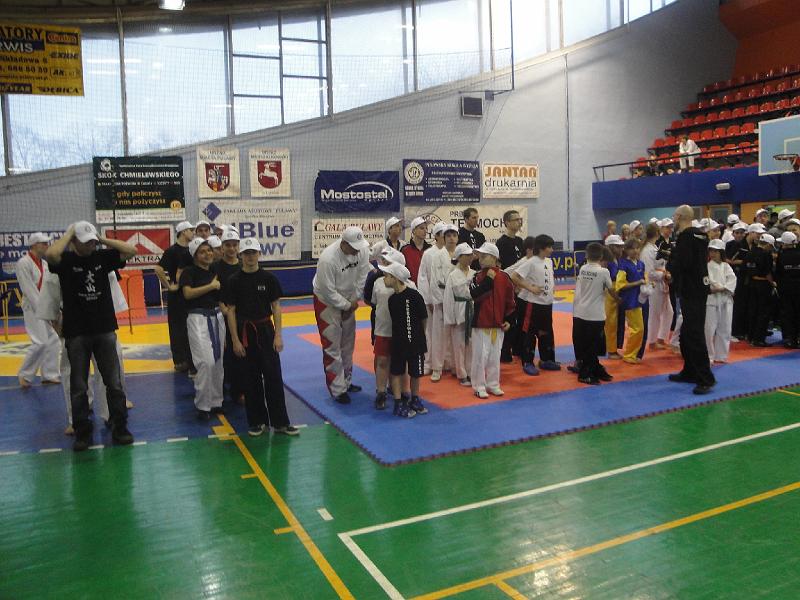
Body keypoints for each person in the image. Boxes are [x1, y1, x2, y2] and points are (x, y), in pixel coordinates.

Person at [45, 221, 137, 451]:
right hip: (77, 333)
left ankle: (119, 426)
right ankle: (82, 432)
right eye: (85, 242)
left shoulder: (102, 258)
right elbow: (51, 254)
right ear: (74, 242)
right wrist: (69, 233)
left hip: (104, 329)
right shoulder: (65, 261)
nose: (90, 246)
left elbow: (131, 250)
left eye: (92, 242)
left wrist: (100, 238)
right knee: (78, 385)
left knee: (114, 382)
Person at [224, 237, 298, 437]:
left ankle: (281, 422)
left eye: (253, 253)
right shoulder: (234, 281)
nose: (250, 257)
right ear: (241, 255)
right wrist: (235, 340)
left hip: (266, 330)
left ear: (259, 254)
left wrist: (278, 335)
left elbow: (276, 307)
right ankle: (257, 422)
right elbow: (231, 311)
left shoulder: (269, 278)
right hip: (245, 332)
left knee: (273, 377)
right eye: (246, 253)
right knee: (251, 379)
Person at [312, 226, 371, 404]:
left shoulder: (362, 250)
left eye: (359, 247)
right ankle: (337, 389)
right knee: (332, 345)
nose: (357, 251)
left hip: (349, 299)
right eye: (353, 248)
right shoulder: (328, 259)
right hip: (326, 302)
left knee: (347, 343)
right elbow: (328, 291)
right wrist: (345, 305)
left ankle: (346, 381)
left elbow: (362, 277)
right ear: (343, 244)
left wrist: (353, 302)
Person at [667, 205, 715, 395]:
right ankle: (690, 370)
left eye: (674, 216)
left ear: (679, 217)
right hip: (699, 287)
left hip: (691, 289)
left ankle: (705, 378)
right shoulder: (701, 235)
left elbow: (683, 263)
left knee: (694, 334)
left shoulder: (686, 237)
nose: (673, 220)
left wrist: (671, 268)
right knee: (687, 333)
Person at [180, 237, 226, 419]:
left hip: (217, 317)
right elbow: (187, 294)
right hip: (198, 318)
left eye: (209, 250)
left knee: (218, 362)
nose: (207, 254)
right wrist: (211, 286)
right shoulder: (189, 272)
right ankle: (203, 405)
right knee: (205, 362)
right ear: (195, 255)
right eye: (202, 252)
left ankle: (216, 402)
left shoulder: (215, 270)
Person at [469, 243, 516, 399]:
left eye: (484, 256)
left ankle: (493, 384)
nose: (481, 259)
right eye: (480, 256)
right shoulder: (476, 277)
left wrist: (509, 319)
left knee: (495, 357)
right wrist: (488, 280)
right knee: (480, 357)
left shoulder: (504, 277)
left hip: (498, 325)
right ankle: (478, 386)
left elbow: (510, 300)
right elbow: (475, 295)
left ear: (494, 258)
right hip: (481, 324)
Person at [383, 261, 428, 418]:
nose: (384, 279)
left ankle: (415, 398)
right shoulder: (391, 299)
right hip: (398, 343)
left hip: (416, 342)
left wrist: (419, 335)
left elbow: (423, 318)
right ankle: (398, 402)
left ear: (395, 278)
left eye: (387, 276)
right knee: (396, 371)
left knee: (416, 372)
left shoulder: (415, 296)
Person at [16, 232, 60, 388]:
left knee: (53, 339)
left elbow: (48, 287)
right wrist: (43, 309)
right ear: (34, 245)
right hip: (33, 307)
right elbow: (28, 289)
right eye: (44, 244)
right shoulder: (23, 263)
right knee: (40, 342)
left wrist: (53, 307)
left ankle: (49, 374)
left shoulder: (45, 264)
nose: (47, 246)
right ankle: (25, 374)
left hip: (44, 306)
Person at [511, 234, 559, 375]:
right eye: (549, 247)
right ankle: (527, 362)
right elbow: (514, 276)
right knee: (529, 333)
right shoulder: (531, 262)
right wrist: (530, 288)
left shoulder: (549, 261)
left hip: (547, 303)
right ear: (541, 248)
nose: (552, 250)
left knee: (546, 332)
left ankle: (545, 359)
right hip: (532, 304)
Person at [370, 248, 410, 409]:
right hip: (383, 328)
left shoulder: (410, 285)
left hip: (401, 331)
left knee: (401, 361)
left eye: (388, 262)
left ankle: (402, 390)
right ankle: (381, 391)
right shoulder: (378, 282)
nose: (384, 264)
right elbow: (373, 302)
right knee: (382, 360)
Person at [572, 243, 617, 385]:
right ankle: (585, 373)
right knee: (593, 345)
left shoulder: (583, 268)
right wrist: (619, 299)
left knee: (588, 344)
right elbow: (611, 289)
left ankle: (595, 367)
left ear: (586, 255)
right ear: (602, 256)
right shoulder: (604, 272)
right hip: (595, 314)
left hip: (581, 312)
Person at [417, 223, 457, 381]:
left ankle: (452, 363)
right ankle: (434, 365)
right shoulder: (430, 254)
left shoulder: (459, 253)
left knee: (455, 335)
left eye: (453, 235)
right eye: (446, 235)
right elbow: (426, 279)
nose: (450, 238)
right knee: (435, 334)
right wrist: (431, 300)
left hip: (455, 301)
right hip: (437, 301)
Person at [155, 220, 195, 373]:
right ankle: (180, 360)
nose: (193, 233)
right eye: (191, 230)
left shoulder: (193, 250)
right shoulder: (172, 251)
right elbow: (158, 269)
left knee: (191, 325)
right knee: (177, 327)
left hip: (190, 292)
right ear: (183, 232)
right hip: (177, 295)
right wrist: (168, 286)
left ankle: (192, 357)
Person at [215, 228, 242, 403]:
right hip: (222, 315)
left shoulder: (243, 265)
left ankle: (239, 388)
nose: (231, 248)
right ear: (222, 247)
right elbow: (214, 291)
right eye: (228, 245)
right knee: (225, 353)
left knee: (241, 351)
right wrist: (223, 308)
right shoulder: (216, 267)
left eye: (234, 245)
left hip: (241, 315)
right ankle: (224, 386)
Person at [443, 243, 475, 386]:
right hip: (459, 312)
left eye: (470, 255)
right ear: (459, 257)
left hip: (472, 310)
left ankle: (471, 371)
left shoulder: (474, 274)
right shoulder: (453, 275)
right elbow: (448, 298)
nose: (470, 258)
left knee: (472, 344)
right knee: (459, 345)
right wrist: (450, 318)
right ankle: (461, 373)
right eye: (466, 255)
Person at [705, 239, 737, 363]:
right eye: (711, 251)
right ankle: (709, 356)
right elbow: (709, 282)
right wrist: (718, 287)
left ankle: (721, 355)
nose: (713, 253)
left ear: (721, 252)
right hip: (712, 301)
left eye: (716, 251)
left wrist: (723, 288)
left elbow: (732, 279)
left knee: (725, 328)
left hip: (726, 300)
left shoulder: (726, 266)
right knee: (709, 329)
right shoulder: (707, 266)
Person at [615, 239, 647, 364]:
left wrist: (648, 284)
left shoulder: (641, 264)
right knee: (637, 328)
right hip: (630, 300)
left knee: (640, 328)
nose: (635, 251)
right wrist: (637, 283)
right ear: (627, 250)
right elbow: (620, 285)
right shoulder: (623, 265)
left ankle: (632, 353)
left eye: (637, 248)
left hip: (641, 299)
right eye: (632, 248)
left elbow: (644, 278)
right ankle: (629, 354)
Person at [643, 222, 672, 349]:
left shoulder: (654, 247)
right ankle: (652, 341)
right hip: (653, 285)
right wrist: (663, 275)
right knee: (654, 313)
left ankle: (661, 338)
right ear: (657, 233)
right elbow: (649, 273)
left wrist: (665, 273)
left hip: (661, 283)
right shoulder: (646, 250)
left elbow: (661, 265)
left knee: (669, 312)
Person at [746, 233, 777, 347]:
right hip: (763, 285)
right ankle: (759, 339)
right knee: (763, 312)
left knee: (753, 310)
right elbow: (767, 272)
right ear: (768, 245)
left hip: (751, 284)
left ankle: (750, 337)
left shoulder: (750, 252)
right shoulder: (766, 254)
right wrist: (772, 283)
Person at [776, 232, 800, 348]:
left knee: (788, 313)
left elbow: (778, 273)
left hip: (785, 289)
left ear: (784, 244)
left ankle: (790, 339)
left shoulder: (782, 256)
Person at [726, 222, 750, 340]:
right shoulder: (729, 245)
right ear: (733, 233)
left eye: (742, 233)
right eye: (737, 233)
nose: (740, 235)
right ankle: (734, 330)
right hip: (733, 277)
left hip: (744, 277)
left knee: (743, 305)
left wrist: (739, 262)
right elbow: (726, 259)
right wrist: (734, 262)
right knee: (735, 305)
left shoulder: (747, 245)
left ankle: (743, 329)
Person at [603, 235, 625, 359]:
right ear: (610, 247)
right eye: (618, 246)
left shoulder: (619, 260)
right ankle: (611, 350)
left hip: (618, 290)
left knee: (618, 322)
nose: (621, 249)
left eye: (621, 246)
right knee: (611, 322)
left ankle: (614, 348)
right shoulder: (606, 261)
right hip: (610, 292)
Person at [401, 216, 430, 283]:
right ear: (414, 231)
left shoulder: (430, 249)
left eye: (426, 228)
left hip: (428, 288)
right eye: (422, 228)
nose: (425, 231)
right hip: (411, 287)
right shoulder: (405, 250)